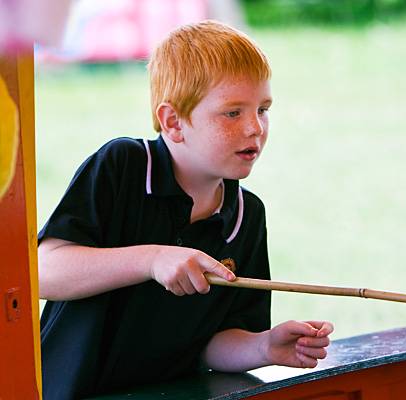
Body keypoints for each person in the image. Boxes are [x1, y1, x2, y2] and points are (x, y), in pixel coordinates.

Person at [37, 20, 334, 400]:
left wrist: (264, 347)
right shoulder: (123, 166)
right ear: (174, 122)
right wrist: (152, 259)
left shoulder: (247, 216)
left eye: (262, 109)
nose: (255, 128)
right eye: (232, 113)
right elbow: (43, 272)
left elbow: (212, 341)